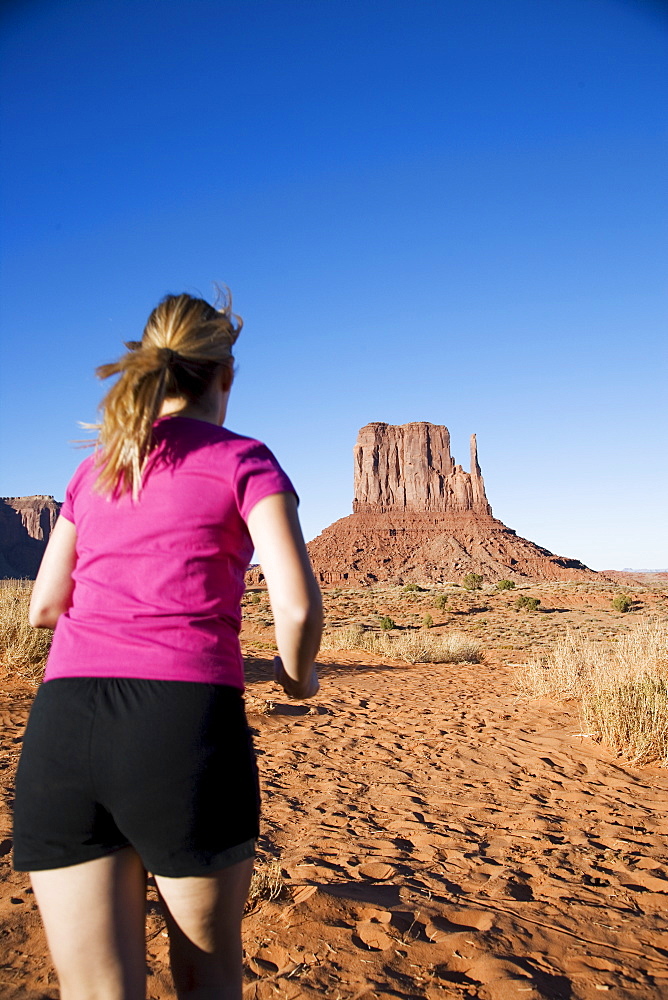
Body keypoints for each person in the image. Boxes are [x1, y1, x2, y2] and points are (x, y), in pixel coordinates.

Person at [12, 289, 323, 1000]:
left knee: (94, 991)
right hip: (182, 728)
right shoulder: (244, 459)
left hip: (64, 729)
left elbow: (41, 608)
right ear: (225, 375)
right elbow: (298, 605)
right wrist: (295, 677)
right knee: (205, 978)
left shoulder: (97, 468)